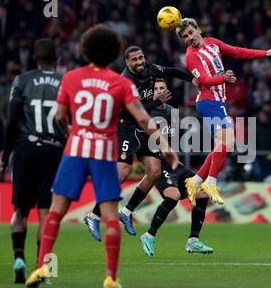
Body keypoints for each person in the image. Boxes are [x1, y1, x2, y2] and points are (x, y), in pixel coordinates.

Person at [25, 24, 178, 288]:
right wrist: (164, 144)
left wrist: (72, 131)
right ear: (115, 53)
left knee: (55, 212)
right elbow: (142, 117)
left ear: (85, 50)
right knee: (109, 214)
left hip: (75, 150)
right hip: (102, 152)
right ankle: (110, 277)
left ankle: (41, 269)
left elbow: (60, 116)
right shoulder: (121, 82)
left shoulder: (71, 77)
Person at [84, 46, 197, 240]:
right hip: (125, 127)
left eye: (141, 58)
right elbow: (132, 111)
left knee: (154, 171)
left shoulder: (150, 69)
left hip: (142, 128)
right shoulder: (126, 81)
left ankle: (127, 212)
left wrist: (193, 79)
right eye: (134, 60)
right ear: (127, 63)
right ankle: (93, 215)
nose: (139, 62)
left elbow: (172, 71)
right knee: (122, 172)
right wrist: (157, 101)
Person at [176, 18, 271, 205]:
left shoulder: (212, 43)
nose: (189, 38)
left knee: (223, 146)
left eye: (191, 33)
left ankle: (196, 180)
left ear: (198, 29)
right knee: (228, 142)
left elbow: (237, 51)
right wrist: (223, 78)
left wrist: (265, 53)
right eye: (185, 37)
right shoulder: (191, 57)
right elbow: (205, 80)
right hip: (208, 102)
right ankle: (211, 181)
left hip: (219, 102)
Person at [0, 39, 66, 284]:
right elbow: (67, 118)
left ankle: (18, 258)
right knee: (46, 210)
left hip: (25, 148)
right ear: (56, 59)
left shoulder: (21, 80)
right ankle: (42, 269)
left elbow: (11, 123)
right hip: (53, 148)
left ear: (34, 57)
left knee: (20, 210)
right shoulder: (64, 81)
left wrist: (4, 158)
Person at [139, 79, 213, 257]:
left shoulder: (173, 112)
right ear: (152, 92)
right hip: (157, 163)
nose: (159, 91)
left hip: (173, 165)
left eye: (162, 88)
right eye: (155, 89)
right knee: (174, 195)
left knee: (202, 193)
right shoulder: (146, 111)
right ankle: (148, 235)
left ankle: (193, 240)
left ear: (167, 90)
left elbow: (172, 140)